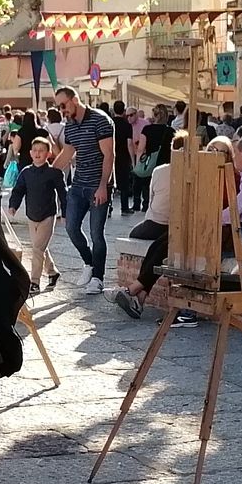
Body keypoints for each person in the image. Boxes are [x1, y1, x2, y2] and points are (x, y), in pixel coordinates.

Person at [113, 131, 184, 320]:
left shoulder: (161, 171)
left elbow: (152, 201)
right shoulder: (195, 172)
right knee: (158, 246)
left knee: (150, 240)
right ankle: (140, 296)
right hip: (175, 226)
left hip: (164, 224)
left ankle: (134, 290)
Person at [53, 85, 116, 294]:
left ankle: (98, 279)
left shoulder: (100, 120)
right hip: (79, 184)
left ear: (74, 100)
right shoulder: (69, 126)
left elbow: (109, 155)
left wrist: (103, 186)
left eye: (63, 105)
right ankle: (89, 263)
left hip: (98, 185)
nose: (61, 110)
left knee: (97, 233)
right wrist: (47, 174)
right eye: (58, 107)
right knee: (71, 227)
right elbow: (66, 154)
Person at [7, 134, 67, 291]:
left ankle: (34, 282)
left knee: (37, 249)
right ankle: (52, 272)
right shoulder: (26, 172)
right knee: (39, 248)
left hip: (47, 216)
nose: (37, 153)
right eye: (35, 150)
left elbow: (63, 194)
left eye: (41, 150)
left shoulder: (54, 173)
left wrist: (65, 213)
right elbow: (18, 190)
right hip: (31, 216)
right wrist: (13, 205)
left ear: (48, 154)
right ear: (30, 153)